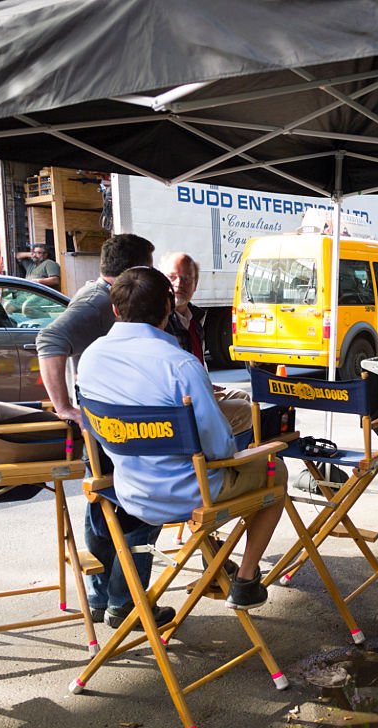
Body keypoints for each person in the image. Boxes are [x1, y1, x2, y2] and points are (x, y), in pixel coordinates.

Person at [77, 267, 286, 611]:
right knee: (274, 469)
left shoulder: (91, 358)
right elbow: (219, 448)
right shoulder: (180, 365)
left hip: (127, 489)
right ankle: (246, 581)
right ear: (168, 309)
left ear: (116, 310)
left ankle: (216, 563)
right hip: (187, 496)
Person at [36, 233, 161, 628]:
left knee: (104, 506)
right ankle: (124, 601)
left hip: (104, 417)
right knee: (129, 507)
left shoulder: (101, 295)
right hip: (105, 419)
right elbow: (49, 338)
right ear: (134, 270)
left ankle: (105, 597)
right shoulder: (96, 301)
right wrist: (63, 407)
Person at [159, 252, 252, 435]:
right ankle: (219, 458)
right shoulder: (161, 321)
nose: (179, 284)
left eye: (187, 279)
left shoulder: (195, 319)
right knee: (243, 410)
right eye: (172, 277)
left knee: (243, 396)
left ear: (195, 285)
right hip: (180, 404)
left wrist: (206, 384)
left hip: (197, 392)